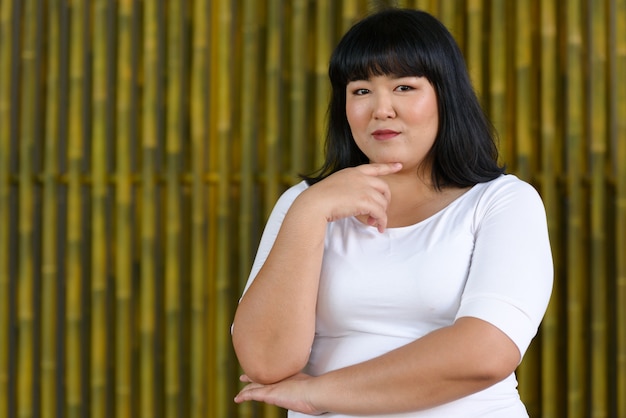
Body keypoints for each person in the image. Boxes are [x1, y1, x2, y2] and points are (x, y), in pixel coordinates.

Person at [231, 7, 553, 418]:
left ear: (445, 95)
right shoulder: (306, 203)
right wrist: (309, 212)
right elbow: (264, 361)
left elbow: (485, 354)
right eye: (361, 90)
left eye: (404, 87)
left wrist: (319, 394)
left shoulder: (502, 202)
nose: (381, 109)